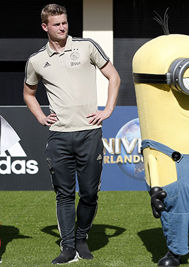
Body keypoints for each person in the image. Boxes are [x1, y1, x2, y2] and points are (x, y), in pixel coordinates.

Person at [23, 3, 120, 264]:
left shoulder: (86, 46)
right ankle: (67, 248)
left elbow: (113, 76)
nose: (63, 27)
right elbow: (28, 93)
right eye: (57, 24)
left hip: (90, 133)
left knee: (89, 193)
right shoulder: (36, 60)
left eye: (65, 22)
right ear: (45, 27)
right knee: (64, 194)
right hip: (59, 136)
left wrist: (108, 109)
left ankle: (81, 238)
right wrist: (40, 116)